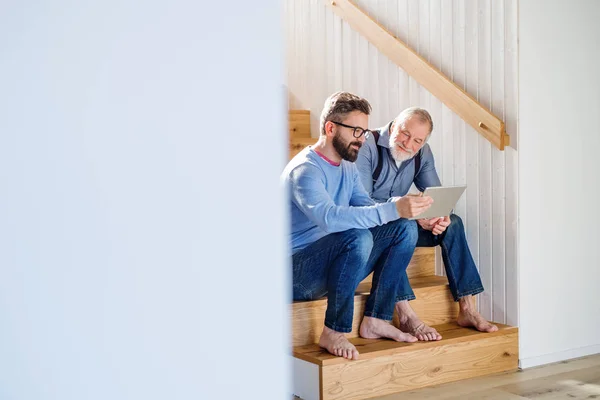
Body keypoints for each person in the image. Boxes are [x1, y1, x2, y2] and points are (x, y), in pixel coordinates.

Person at [282, 92, 433, 360]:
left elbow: (365, 205)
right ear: (330, 128)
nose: (362, 139)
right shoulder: (306, 170)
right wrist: (391, 209)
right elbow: (330, 218)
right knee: (358, 237)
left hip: (333, 265)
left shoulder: (347, 167)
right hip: (297, 274)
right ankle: (334, 331)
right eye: (356, 131)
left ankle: (376, 318)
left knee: (403, 228)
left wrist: (401, 207)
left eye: (363, 131)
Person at [355, 107, 498, 342]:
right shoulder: (367, 146)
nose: (409, 144)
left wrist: (438, 217)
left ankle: (468, 309)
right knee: (402, 228)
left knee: (453, 223)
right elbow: (361, 203)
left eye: (417, 140)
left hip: (403, 222)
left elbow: (436, 197)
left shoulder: (423, 153)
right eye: (405, 134)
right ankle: (406, 315)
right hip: (369, 227)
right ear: (393, 127)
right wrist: (407, 212)